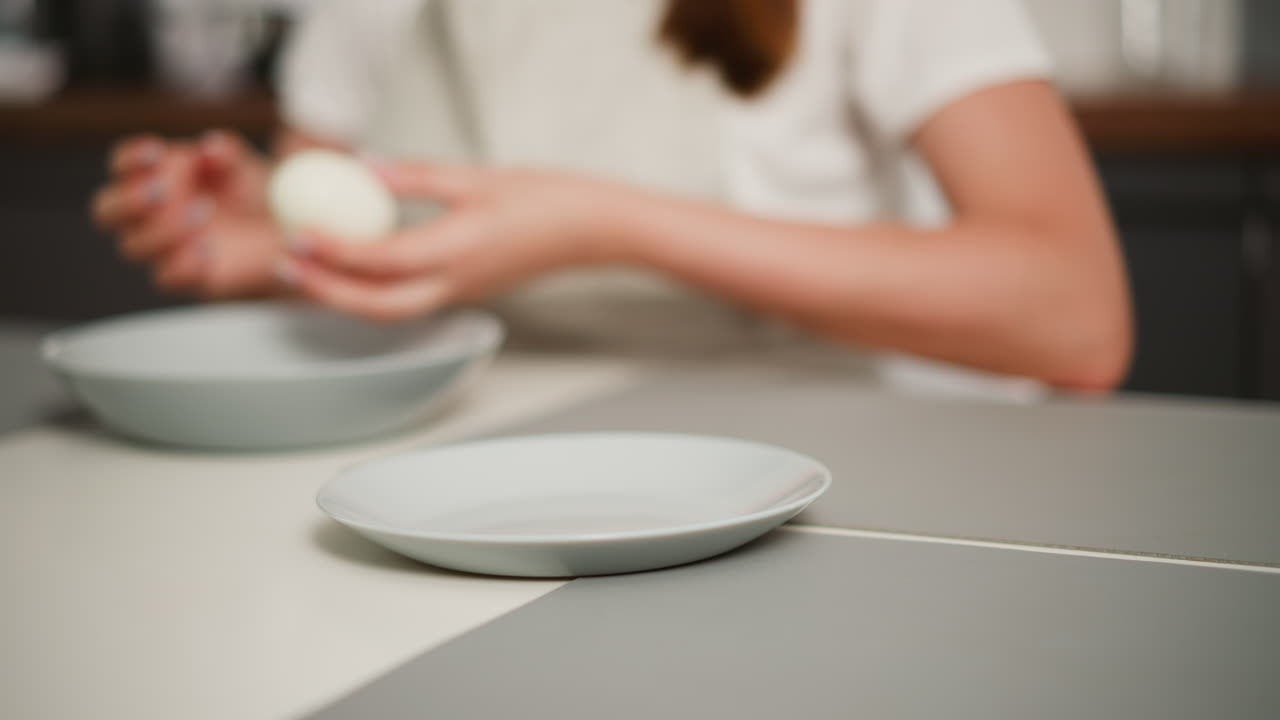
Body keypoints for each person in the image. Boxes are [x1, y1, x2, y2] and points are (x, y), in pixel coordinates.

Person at [91, 0, 1132, 393]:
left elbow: (1073, 315)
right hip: (452, 471)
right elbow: (328, 273)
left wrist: (605, 225)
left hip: (795, 466)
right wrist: (265, 245)